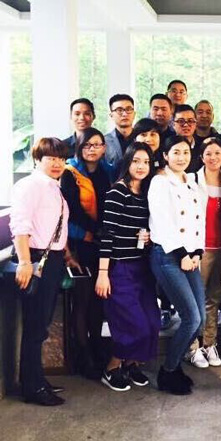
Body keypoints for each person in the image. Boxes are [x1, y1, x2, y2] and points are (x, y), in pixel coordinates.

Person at [9, 138, 71, 406]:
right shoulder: (30, 186)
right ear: (38, 159)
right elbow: (19, 226)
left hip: (52, 260)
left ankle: (35, 379)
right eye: (51, 158)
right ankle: (32, 388)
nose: (57, 163)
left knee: (41, 324)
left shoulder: (53, 186)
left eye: (61, 159)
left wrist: (66, 254)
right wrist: (25, 262)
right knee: (35, 325)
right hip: (35, 259)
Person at [95, 142, 159, 392]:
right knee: (133, 323)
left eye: (146, 162)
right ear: (127, 162)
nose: (141, 166)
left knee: (152, 322)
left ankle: (131, 364)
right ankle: (112, 367)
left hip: (143, 267)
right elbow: (107, 235)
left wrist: (149, 237)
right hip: (119, 268)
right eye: (136, 161)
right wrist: (103, 274)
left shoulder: (148, 192)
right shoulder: (117, 192)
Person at [148, 136, 205, 395]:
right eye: (176, 152)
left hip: (190, 255)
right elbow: (163, 223)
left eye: (185, 152)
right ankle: (168, 371)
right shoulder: (160, 182)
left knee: (200, 318)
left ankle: (176, 365)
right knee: (191, 317)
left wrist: (197, 252)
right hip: (168, 255)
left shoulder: (191, 180)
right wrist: (182, 253)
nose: (181, 157)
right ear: (165, 156)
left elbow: (199, 220)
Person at [61, 128, 116, 380]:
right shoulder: (70, 173)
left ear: (104, 148)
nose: (92, 149)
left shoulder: (108, 171)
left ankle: (97, 347)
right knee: (82, 301)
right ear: (79, 147)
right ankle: (84, 356)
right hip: (80, 242)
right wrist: (95, 231)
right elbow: (71, 211)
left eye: (97, 145)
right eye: (87, 145)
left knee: (98, 301)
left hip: (102, 244)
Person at [185, 138, 221, 369]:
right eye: (208, 153)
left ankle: (209, 343)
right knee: (195, 299)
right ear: (201, 157)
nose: (213, 158)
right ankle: (192, 346)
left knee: (214, 298)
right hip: (199, 250)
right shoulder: (191, 180)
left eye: (217, 153)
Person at [104, 94, 136, 168]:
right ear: (111, 115)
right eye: (119, 110)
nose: (124, 114)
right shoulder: (104, 141)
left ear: (134, 114)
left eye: (128, 109)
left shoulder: (142, 138)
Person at [173, 104, 203, 173]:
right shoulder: (166, 146)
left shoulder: (202, 148)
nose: (186, 125)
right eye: (181, 121)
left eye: (190, 121)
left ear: (195, 124)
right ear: (173, 124)